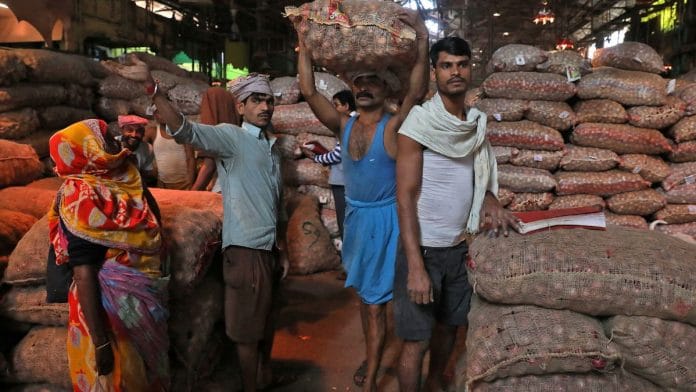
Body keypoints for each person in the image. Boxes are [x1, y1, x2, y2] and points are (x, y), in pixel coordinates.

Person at [297, 9, 429, 391]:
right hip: (355, 221)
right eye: (359, 83)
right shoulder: (344, 124)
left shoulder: (393, 125)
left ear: (386, 90)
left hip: (386, 222)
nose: (365, 87)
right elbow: (308, 91)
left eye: (373, 82)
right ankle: (372, 360)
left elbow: (417, 92)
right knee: (366, 300)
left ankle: (370, 377)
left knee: (375, 305)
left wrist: (421, 40)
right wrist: (304, 45)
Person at [142, 68, 289, 392]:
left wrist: (283, 247)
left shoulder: (270, 147)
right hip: (246, 251)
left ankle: (264, 376)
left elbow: (277, 201)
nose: (264, 107)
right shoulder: (232, 137)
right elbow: (185, 129)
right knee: (247, 331)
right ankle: (252, 385)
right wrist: (153, 90)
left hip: (269, 252)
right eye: (255, 101)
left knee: (267, 321)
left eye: (268, 101)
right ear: (240, 107)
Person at [394, 37, 519, 392]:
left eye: (461, 64)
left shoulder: (475, 123)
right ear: (435, 72)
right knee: (415, 342)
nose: (455, 72)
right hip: (423, 249)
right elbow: (404, 197)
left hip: (459, 247)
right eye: (447, 65)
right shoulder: (418, 124)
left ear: (470, 68)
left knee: (449, 330)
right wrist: (416, 267)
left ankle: (434, 385)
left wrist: (490, 198)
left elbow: (482, 172)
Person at [47, 119, 169, 391]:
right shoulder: (79, 195)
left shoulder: (125, 176)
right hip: (108, 309)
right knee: (120, 380)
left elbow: (153, 219)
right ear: (89, 148)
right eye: (107, 139)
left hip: (144, 294)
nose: (116, 142)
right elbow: (83, 271)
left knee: (149, 377)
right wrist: (100, 341)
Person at [301, 90, 357, 241]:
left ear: (346, 106)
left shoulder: (348, 124)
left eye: (336, 105)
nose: (333, 110)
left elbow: (339, 154)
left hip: (343, 180)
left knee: (345, 219)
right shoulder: (355, 123)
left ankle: (350, 253)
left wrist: (319, 158)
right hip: (349, 179)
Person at [191, 87, 241, 191]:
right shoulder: (239, 132)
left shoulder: (219, 133)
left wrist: (192, 193)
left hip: (223, 190)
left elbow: (210, 165)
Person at [152, 115, 197, 190]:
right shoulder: (152, 132)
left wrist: (190, 182)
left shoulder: (183, 132)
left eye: (164, 110)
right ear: (154, 115)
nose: (162, 114)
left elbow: (190, 157)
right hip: (163, 183)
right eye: (158, 112)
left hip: (184, 183)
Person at [117, 114, 157, 185]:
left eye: (138, 131)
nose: (134, 135)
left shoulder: (148, 148)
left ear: (143, 133)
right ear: (122, 130)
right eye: (130, 130)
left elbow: (146, 173)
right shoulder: (113, 144)